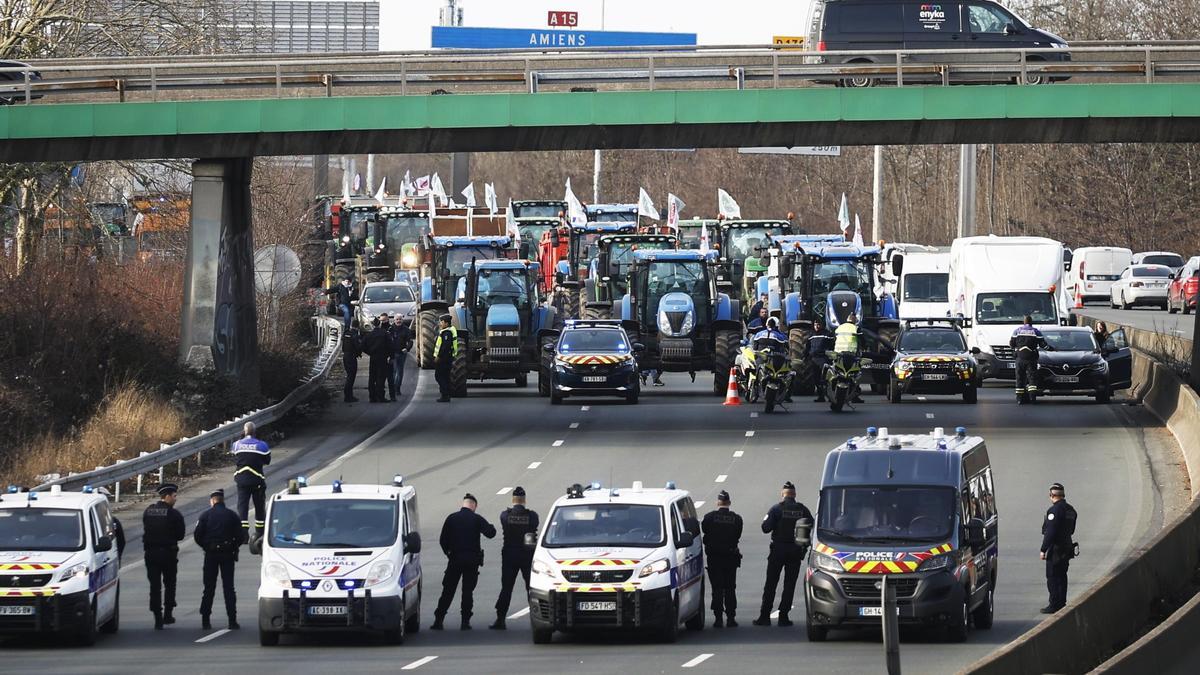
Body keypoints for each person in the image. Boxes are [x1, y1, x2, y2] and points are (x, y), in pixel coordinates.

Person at [432, 493, 497, 630]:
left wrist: (449, 554)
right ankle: (465, 622)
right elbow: (491, 533)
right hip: (472, 561)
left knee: (448, 591)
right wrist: (490, 525)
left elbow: (443, 540)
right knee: (467, 592)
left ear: (463, 504)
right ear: (474, 505)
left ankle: (439, 620)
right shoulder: (476, 519)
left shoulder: (452, 518)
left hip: (455, 560)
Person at [754, 481, 812, 627]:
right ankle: (783, 616)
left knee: (771, 583)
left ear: (782, 494)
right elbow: (811, 524)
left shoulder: (776, 509)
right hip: (795, 551)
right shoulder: (802, 510)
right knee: (789, 584)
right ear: (795, 495)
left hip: (778, 551)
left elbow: (765, 528)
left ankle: (765, 616)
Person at [194, 488, 244, 630]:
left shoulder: (205, 515)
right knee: (229, 588)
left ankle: (205, 620)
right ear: (223, 500)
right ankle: (232, 620)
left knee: (209, 588)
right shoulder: (232, 515)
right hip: (228, 555)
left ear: (212, 501)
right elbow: (241, 536)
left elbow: (197, 535)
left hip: (211, 555)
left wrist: (206, 546)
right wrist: (233, 546)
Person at [490, 486, 539, 630]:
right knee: (530, 588)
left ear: (513, 499)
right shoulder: (532, 516)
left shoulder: (505, 515)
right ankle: (536, 620)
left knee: (506, 588)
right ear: (524, 500)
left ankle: (500, 619)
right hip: (527, 555)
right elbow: (534, 526)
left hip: (510, 555)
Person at [143, 483, 185, 630]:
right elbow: (180, 535)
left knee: (155, 587)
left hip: (151, 554)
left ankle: (157, 617)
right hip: (168, 554)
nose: (176, 499)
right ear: (166, 496)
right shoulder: (174, 514)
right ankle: (168, 614)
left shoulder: (148, 511)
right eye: (174, 496)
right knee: (169, 584)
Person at [702, 490, 743, 627]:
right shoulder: (737, 519)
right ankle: (731, 618)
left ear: (717, 503)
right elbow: (737, 536)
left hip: (714, 559)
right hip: (730, 558)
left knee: (717, 588)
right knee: (730, 588)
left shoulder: (708, 518)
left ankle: (718, 619)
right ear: (729, 503)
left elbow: (705, 533)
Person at [1040, 482, 1077, 614]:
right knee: (1062, 575)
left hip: (1055, 549)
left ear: (1052, 495)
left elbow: (1050, 532)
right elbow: (1071, 530)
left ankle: (1054, 604)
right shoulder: (1071, 510)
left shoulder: (1054, 511)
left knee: (1052, 576)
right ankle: (1062, 602)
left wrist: (1043, 549)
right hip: (1067, 547)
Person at [233, 421, 270, 541]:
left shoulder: (237, 445)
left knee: (242, 507)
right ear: (255, 432)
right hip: (257, 480)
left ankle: (244, 535)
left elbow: (234, 457)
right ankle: (260, 532)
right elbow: (267, 460)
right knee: (259, 506)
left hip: (242, 481)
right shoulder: (262, 445)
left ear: (244, 431)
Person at [1010, 314, 1048, 400]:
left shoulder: (1017, 331)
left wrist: (1016, 350)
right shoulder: (1036, 332)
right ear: (1031, 322)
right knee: (1032, 377)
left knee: (1019, 377)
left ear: (1024, 322)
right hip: (1031, 359)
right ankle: (1032, 396)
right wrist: (1051, 349)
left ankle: (1020, 398)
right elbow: (1043, 345)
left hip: (1020, 358)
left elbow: (1011, 344)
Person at [833, 315, 865, 403]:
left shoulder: (839, 327)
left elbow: (834, 339)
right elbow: (862, 340)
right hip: (850, 355)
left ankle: (833, 390)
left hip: (838, 354)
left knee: (837, 372)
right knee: (853, 374)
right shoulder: (855, 328)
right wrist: (864, 348)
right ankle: (854, 396)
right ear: (854, 320)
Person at [364, 316, 392, 403]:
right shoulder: (385, 334)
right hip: (382, 358)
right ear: (380, 324)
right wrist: (390, 356)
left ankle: (372, 397)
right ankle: (381, 396)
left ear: (372, 325)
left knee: (372, 377)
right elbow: (390, 346)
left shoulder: (369, 335)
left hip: (373, 358)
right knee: (381, 377)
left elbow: (362, 346)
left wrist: (370, 352)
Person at [807, 319, 834, 402]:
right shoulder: (811, 335)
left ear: (822, 325)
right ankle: (820, 396)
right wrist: (807, 355)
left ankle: (830, 396)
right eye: (815, 324)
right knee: (816, 379)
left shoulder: (827, 334)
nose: (817, 326)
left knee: (826, 379)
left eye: (818, 324)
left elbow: (832, 346)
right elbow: (807, 347)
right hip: (814, 359)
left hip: (824, 359)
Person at [389, 314, 413, 399]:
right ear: (394, 320)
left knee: (400, 372)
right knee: (393, 372)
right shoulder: (390, 329)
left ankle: (397, 388)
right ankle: (393, 388)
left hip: (402, 353)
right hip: (393, 353)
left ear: (402, 320)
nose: (398, 321)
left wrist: (407, 348)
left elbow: (410, 341)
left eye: (400, 319)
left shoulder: (406, 330)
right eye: (397, 319)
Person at [434, 314, 458, 403]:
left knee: (439, 376)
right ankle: (446, 394)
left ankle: (445, 394)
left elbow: (445, 347)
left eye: (442, 322)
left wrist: (439, 357)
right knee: (445, 377)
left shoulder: (447, 333)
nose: (440, 324)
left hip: (444, 359)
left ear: (446, 323)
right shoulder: (447, 331)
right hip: (447, 357)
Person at [342, 319, 363, 403]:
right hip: (351, 357)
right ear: (358, 326)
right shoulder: (355, 335)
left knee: (349, 375)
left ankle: (348, 395)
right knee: (351, 377)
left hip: (345, 356)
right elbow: (358, 347)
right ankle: (348, 396)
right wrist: (359, 353)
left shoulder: (346, 333)